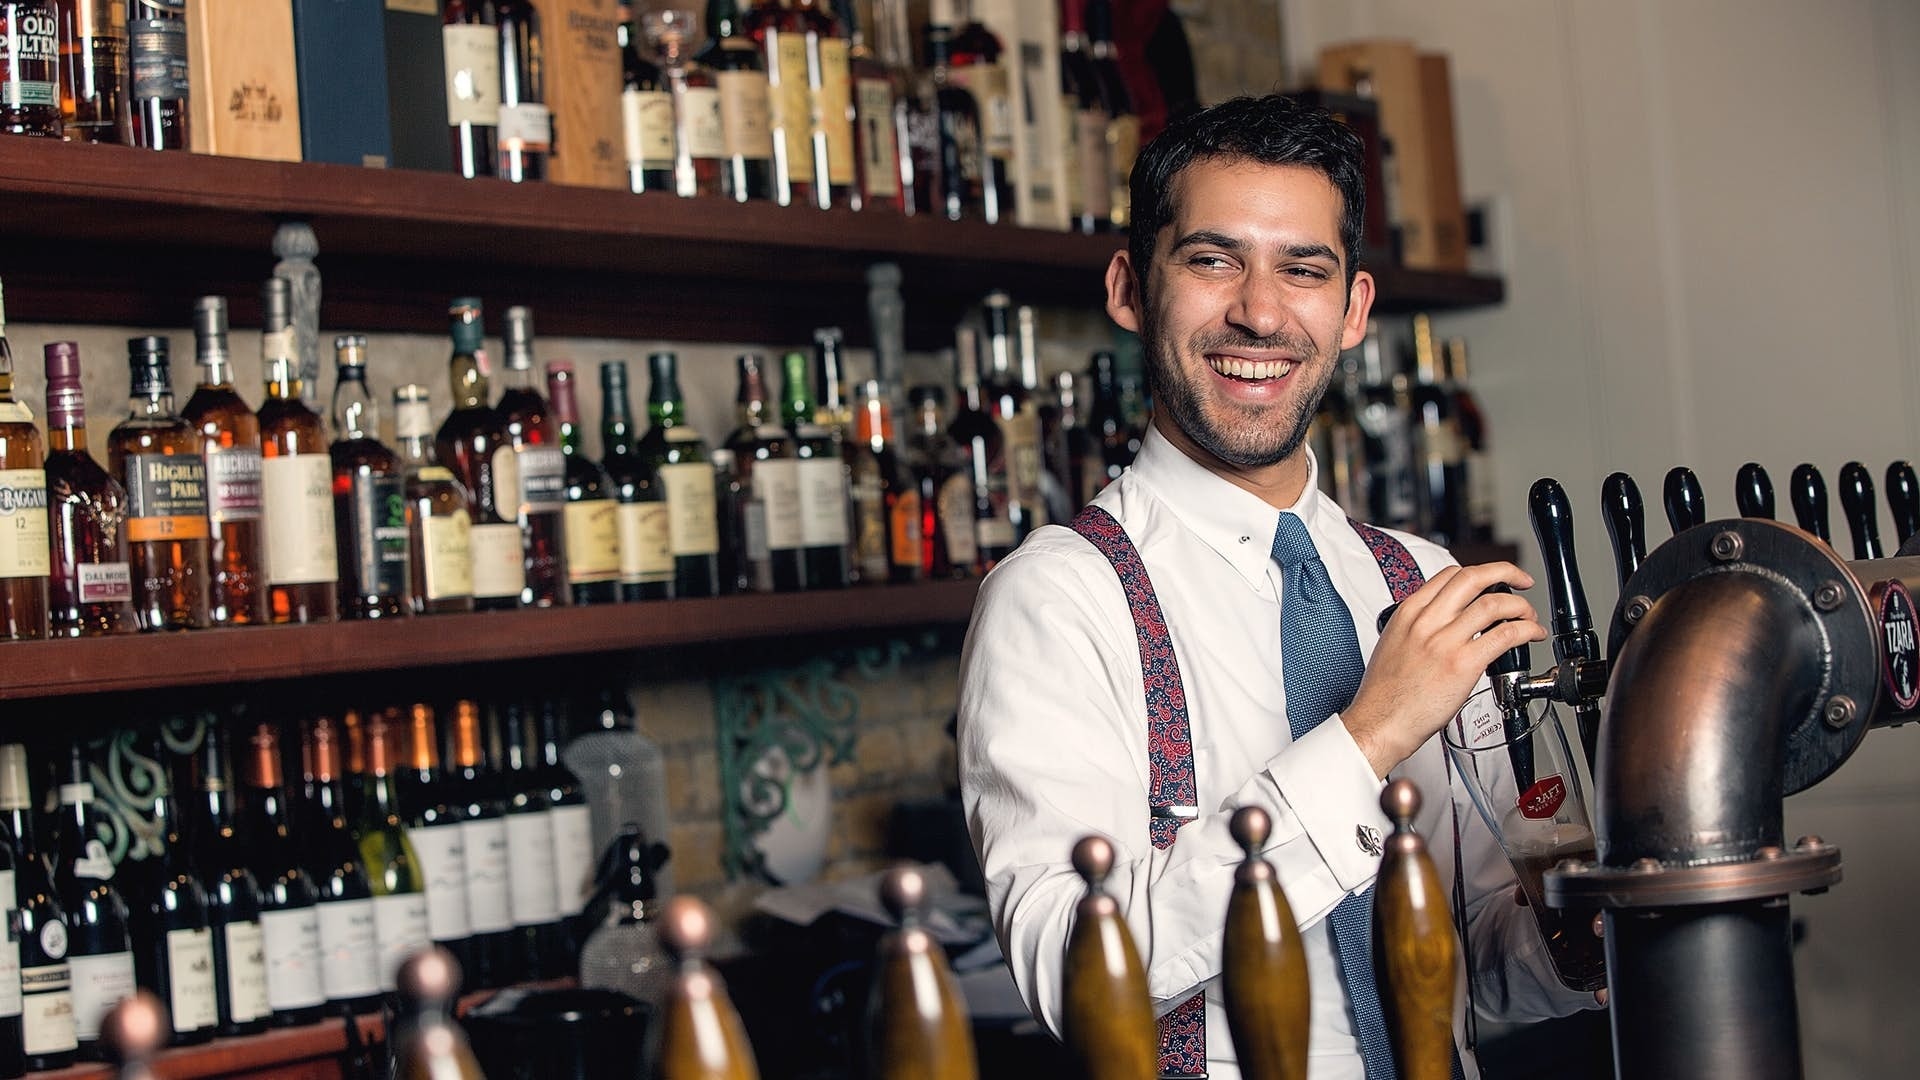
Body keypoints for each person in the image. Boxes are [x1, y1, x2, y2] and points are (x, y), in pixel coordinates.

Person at [957, 95, 1599, 1080]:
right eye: (1214, 260)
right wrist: (1369, 734)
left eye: (1304, 269)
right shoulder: (1058, 600)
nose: (1261, 310)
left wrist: (1604, 909)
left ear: (1353, 311)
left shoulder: (1419, 581)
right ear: (1131, 288)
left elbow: (1482, 960)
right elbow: (1073, 975)